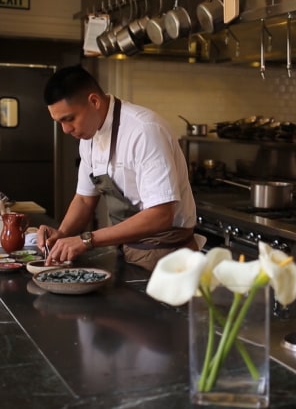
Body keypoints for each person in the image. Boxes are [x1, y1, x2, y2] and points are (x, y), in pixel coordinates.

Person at [37, 64, 198, 270]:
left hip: (167, 255)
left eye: (69, 119)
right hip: (127, 249)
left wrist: (86, 239)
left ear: (94, 101)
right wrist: (62, 233)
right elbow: (85, 200)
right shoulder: (89, 137)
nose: (66, 129)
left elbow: (161, 215)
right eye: (59, 122)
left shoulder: (144, 131)